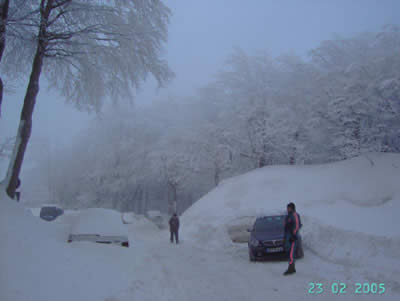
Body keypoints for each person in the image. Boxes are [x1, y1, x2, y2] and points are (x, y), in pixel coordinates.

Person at [283, 202, 302, 276]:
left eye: (289, 208)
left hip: (293, 236)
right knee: (288, 251)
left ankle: (291, 267)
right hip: (288, 236)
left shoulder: (295, 215)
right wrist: (285, 237)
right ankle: (291, 266)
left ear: (292, 208)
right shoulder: (288, 216)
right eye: (287, 208)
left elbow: (297, 225)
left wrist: (294, 235)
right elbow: (285, 226)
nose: (287, 209)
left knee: (291, 252)